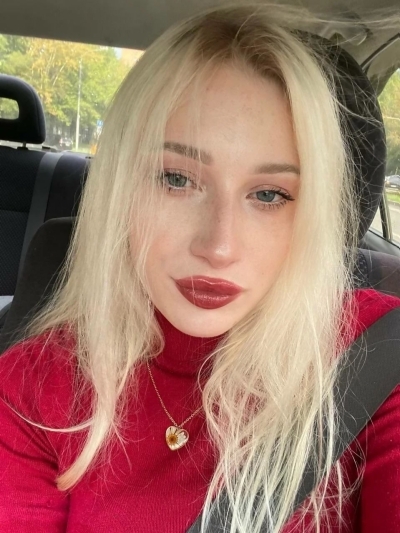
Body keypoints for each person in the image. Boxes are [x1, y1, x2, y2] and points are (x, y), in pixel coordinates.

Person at [0, 4, 399, 533]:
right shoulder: (31, 389)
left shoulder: (379, 356)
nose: (219, 246)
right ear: (119, 187)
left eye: (269, 194)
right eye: (176, 179)